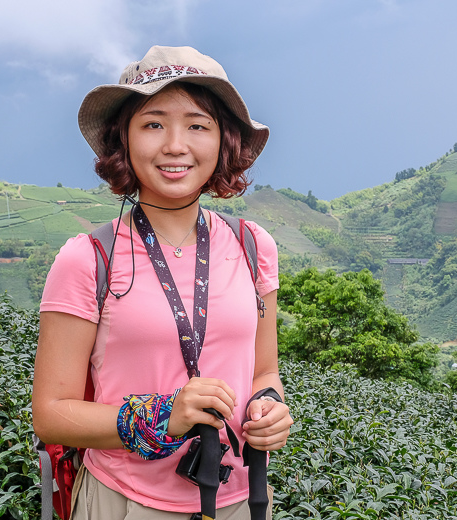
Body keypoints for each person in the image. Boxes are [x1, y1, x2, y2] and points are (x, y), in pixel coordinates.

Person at [32, 45, 293, 520]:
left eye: (198, 125)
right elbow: (50, 413)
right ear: (124, 139)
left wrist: (271, 408)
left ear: (224, 140)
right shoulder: (88, 259)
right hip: (124, 500)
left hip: (241, 500)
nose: (176, 144)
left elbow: (263, 373)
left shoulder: (255, 247)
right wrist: (160, 417)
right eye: (153, 124)